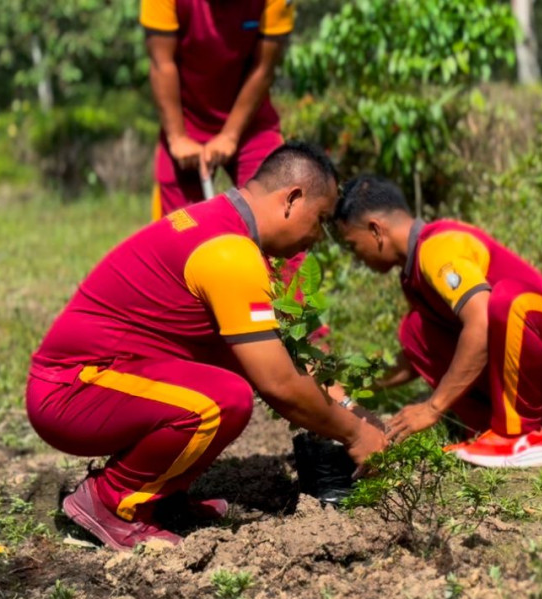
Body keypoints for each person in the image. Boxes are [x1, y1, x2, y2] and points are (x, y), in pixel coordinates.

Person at [26, 144, 386, 551]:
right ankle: (111, 503)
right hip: (71, 390)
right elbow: (280, 383)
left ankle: (158, 496)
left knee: (233, 370)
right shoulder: (230, 253)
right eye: (319, 222)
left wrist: (356, 411)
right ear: (292, 199)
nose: (315, 239)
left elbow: (286, 356)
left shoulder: (219, 224)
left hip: (107, 377)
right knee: (222, 398)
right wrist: (355, 435)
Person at [333, 175, 542, 468]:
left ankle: (519, 436)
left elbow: (480, 322)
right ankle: (489, 430)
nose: (357, 259)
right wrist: (350, 385)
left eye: (353, 246)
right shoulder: (412, 275)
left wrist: (432, 408)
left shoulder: (437, 248)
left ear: (376, 230)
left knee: (506, 300)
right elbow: (418, 356)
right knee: (415, 330)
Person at [141, 0, 294, 220]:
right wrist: (177, 138)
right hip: (185, 122)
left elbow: (264, 68)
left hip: (250, 121)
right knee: (177, 234)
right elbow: (161, 63)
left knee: (278, 216)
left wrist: (230, 135)